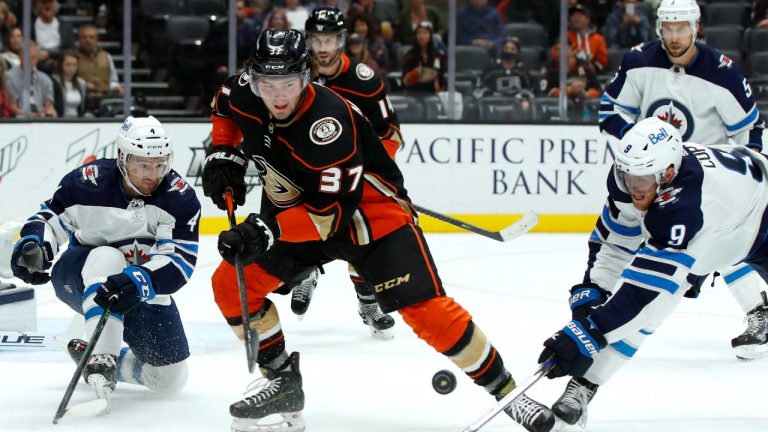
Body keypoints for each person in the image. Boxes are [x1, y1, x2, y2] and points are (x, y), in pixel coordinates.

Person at [202, 28, 556, 432]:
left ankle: (509, 393)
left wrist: (263, 230)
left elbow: (328, 218)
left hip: (369, 214)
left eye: (289, 83)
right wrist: (224, 152)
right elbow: (223, 106)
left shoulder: (328, 123)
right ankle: (282, 381)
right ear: (254, 77)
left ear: (306, 77)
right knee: (231, 284)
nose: (278, 95)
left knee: (425, 312)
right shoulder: (243, 91)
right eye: (269, 83)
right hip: (300, 211)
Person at [534, 116, 768, 428]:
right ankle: (583, 387)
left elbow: (642, 294)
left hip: (755, 215)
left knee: (649, 304)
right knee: (655, 306)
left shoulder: (683, 203)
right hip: (726, 216)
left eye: (641, 180)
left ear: (668, 173)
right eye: (627, 175)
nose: (633, 187)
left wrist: (590, 331)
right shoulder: (635, 176)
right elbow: (614, 243)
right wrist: (593, 292)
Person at [598, 0, 768, 364]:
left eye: (682, 28)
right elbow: (610, 109)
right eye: (668, 28)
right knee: (634, 239)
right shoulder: (640, 60)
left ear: (696, 28)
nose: (675, 36)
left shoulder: (723, 73)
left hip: (708, 179)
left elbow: (750, 129)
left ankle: (758, 309)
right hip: (658, 175)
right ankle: (606, 308)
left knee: (724, 241)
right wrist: (637, 146)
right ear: (659, 28)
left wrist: (746, 175)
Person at [10, 116, 200, 401]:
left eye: (160, 164)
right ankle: (102, 358)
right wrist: (36, 245)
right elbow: (48, 219)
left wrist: (138, 281)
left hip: (137, 290)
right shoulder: (88, 183)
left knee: (170, 379)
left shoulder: (179, 199)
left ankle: (93, 356)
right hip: (78, 277)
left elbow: (180, 263)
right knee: (108, 256)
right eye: (142, 164)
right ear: (122, 158)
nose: (152, 174)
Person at [283, 6, 404, 338]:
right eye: (316, 40)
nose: (322, 48)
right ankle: (306, 273)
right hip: (305, 172)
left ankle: (368, 301)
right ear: (308, 40)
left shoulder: (363, 81)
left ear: (341, 41)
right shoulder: (293, 74)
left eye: (329, 40)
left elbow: (390, 133)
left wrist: (367, 171)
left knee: (362, 231)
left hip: (352, 174)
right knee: (299, 222)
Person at [75, 23, 123, 108]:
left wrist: (115, 87)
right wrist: (83, 85)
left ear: (97, 40)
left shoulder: (106, 56)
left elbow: (113, 80)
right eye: (84, 37)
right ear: (79, 39)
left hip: (105, 95)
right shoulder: (74, 57)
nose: (88, 40)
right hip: (84, 96)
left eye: (91, 37)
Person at [5, 40, 57, 118]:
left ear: (38, 58)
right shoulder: (8, 77)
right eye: (27, 57)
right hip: (17, 120)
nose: (30, 60)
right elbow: (12, 107)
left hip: (40, 119)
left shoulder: (45, 79)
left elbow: (49, 106)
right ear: (19, 56)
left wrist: (48, 111)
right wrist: (33, 115)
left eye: (33, 57)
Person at [401, 20, 446, 95]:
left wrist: (439, 85)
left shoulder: (438, 55)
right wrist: (411, 76)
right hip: (414, 92)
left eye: (425, 33)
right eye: (419, 33)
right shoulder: (409, 56)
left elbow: (441, 77)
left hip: (432, 92)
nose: (422, 36)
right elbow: (404, 81)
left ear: (430, 35)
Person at [565, 4, 607, 73]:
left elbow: (601, 62)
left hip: (591, 76)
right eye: (573, 15)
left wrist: (590, 67)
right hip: (569, 74)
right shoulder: (565, 36)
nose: (576, 18)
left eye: (580, 15)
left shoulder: (598, 39)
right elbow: (556, 56)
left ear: (587, 19)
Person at [52, 50, 86, 117]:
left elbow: (82, 107)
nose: (71, 68)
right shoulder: (53, 82)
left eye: (74, 65)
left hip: (77, 121)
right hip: (60, 121)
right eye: (68, 65)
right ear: (61, 65)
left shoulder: (81, 83)